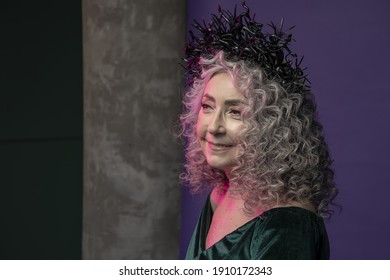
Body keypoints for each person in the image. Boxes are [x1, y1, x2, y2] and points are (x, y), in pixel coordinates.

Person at [178, 1, 338, 260]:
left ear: (272, 127)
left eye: (235, 112)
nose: (214, 127)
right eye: (207, 107)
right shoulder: (220, 195)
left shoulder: (287, 225)